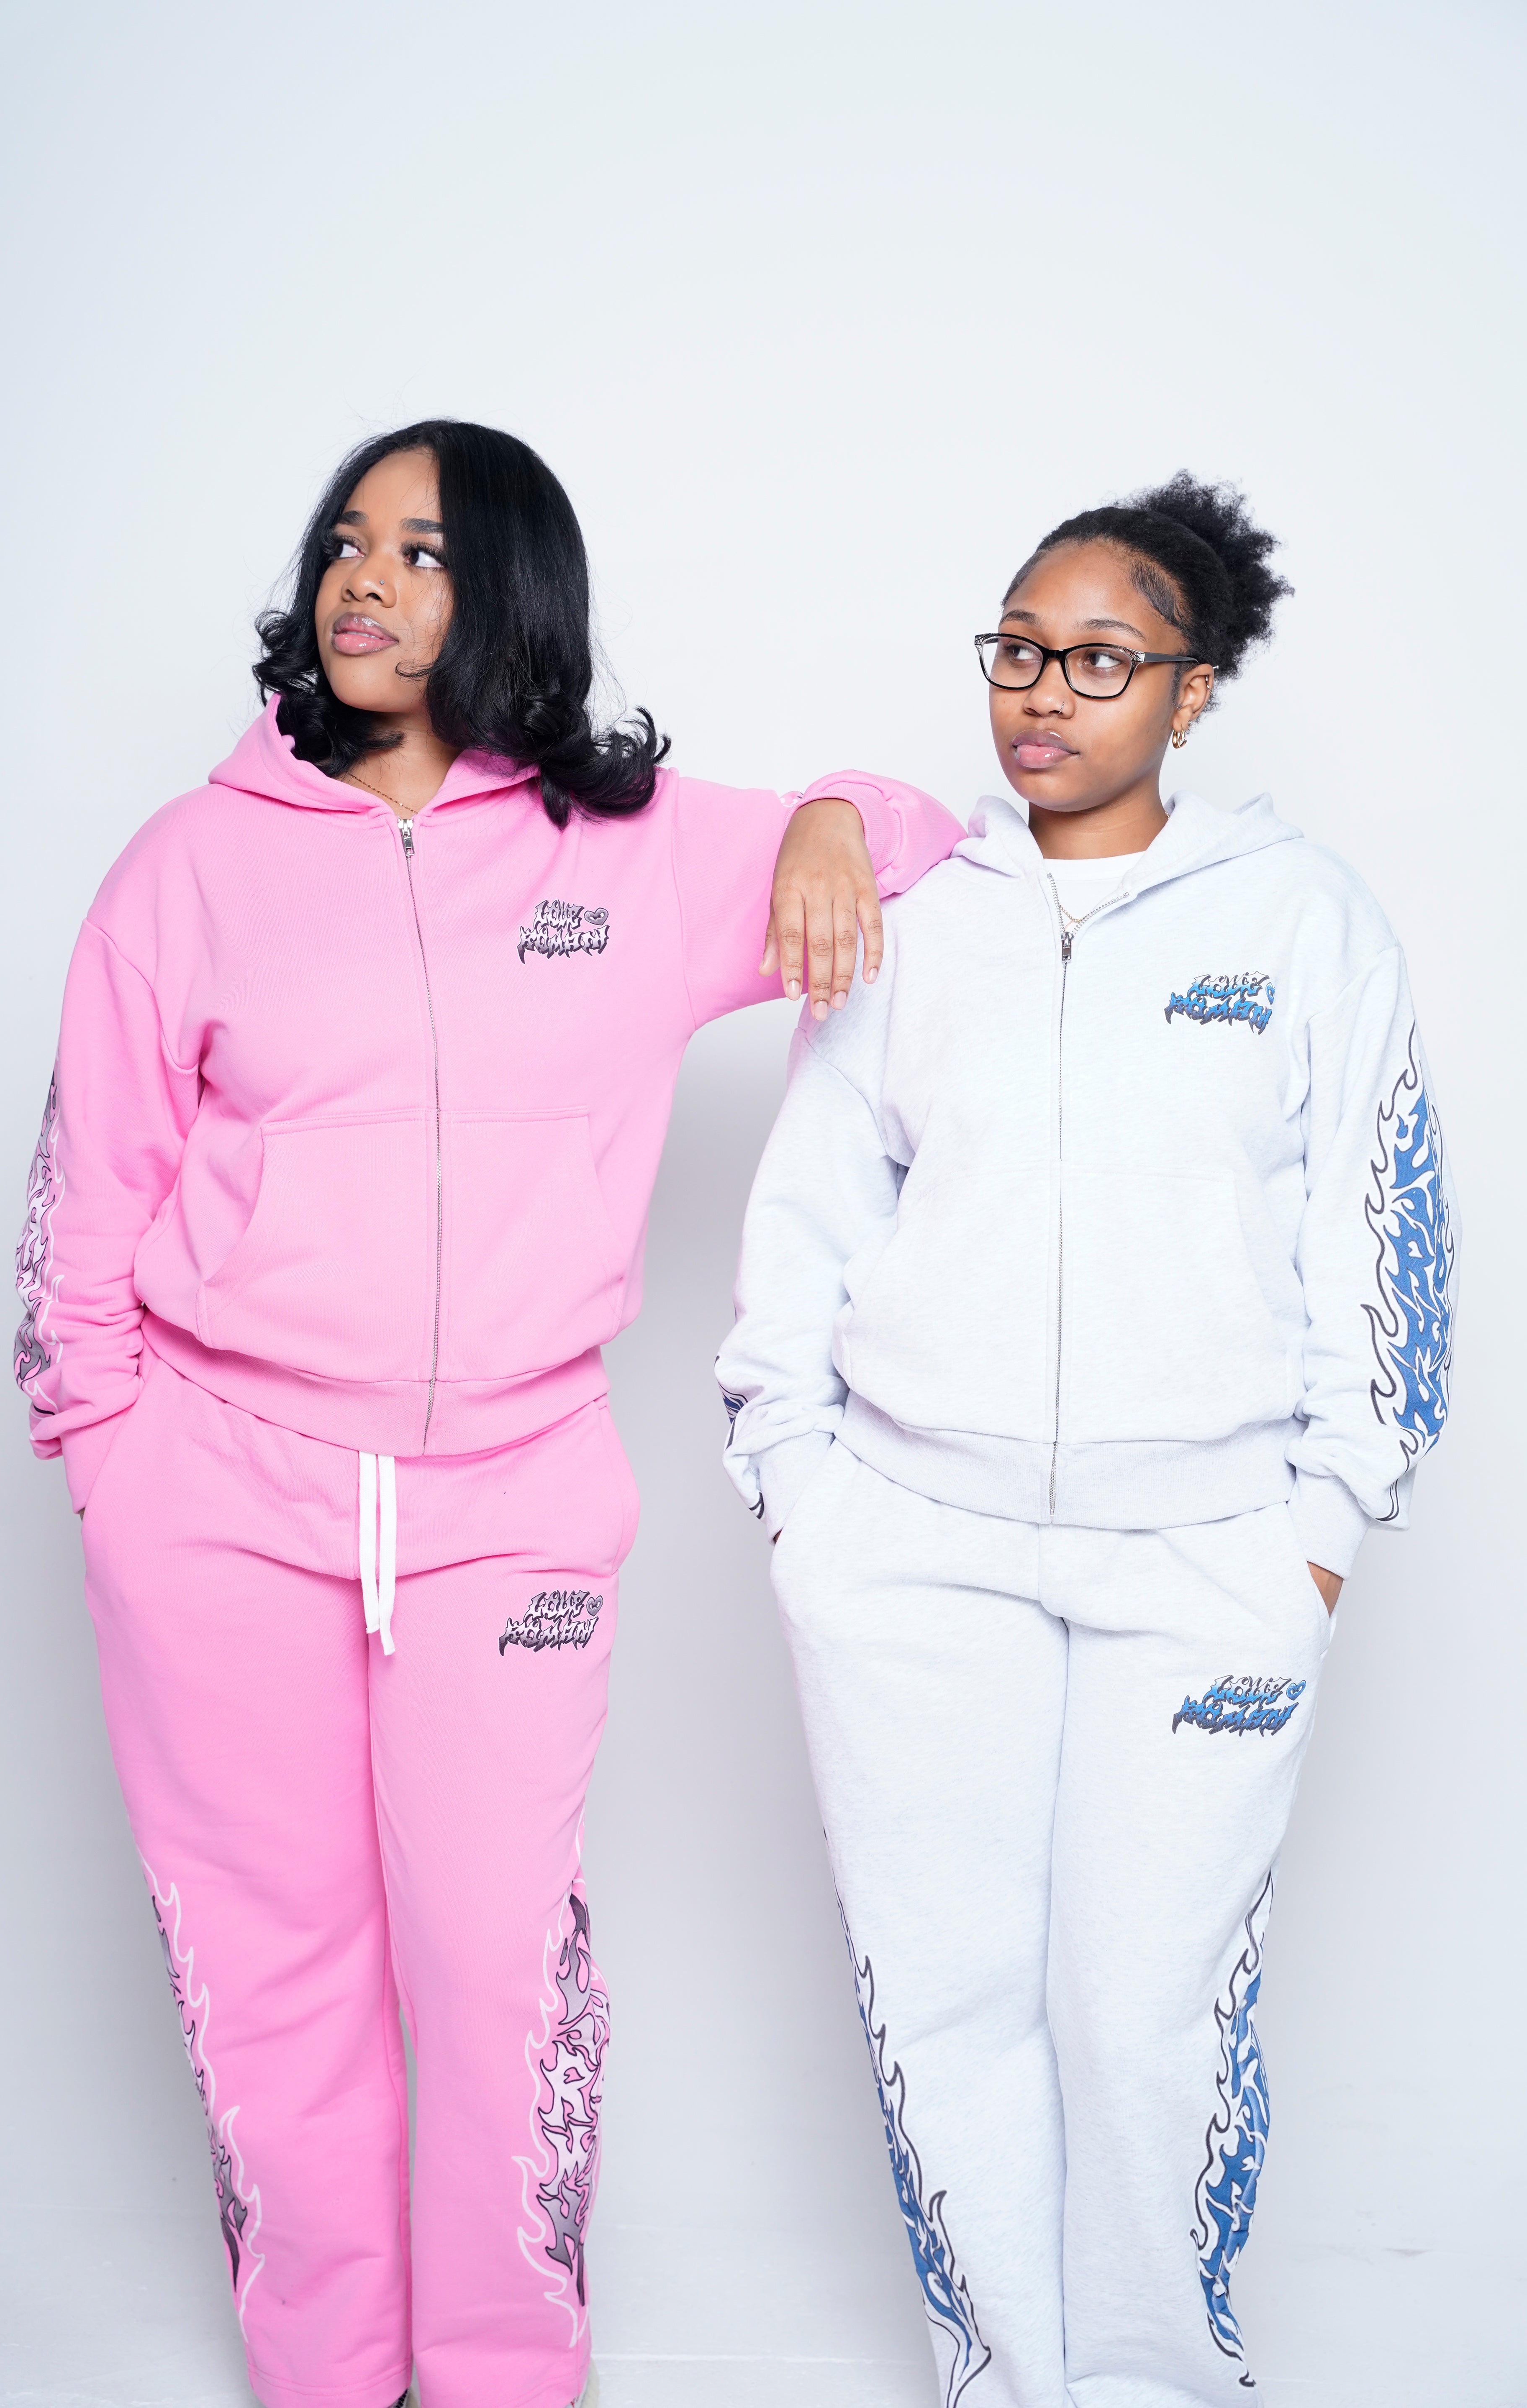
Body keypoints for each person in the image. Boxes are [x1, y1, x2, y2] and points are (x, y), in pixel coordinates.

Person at [13, 418, 962, 2408]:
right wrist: (111, 1460)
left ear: (513, 585)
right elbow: (90, 1193)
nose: (366, 579)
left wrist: (819, 819)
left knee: (499, 1960)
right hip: (219, 1490)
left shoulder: (626, 853)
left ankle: (508, 2375)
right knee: (271, 1965)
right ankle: (324, 2369)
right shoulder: (192, 863)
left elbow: (918, 826)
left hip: (512, 1496)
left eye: (426, 550)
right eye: (347, 543)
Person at [717, 476, 1456, 2408]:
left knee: (1145, 2019)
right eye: (1021, 651)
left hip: (1205, 1556)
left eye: (1102, 660)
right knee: (945, 2006)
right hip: (910, 1549)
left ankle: (1151, 2387)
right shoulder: (916, 919)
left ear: (1193, 691)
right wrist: (803, 1495)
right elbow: (808, 1218)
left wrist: (1318, 1530)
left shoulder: (1303, 920)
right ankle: (1001, 2381)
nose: (1044, 694)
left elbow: (1379, 1236)